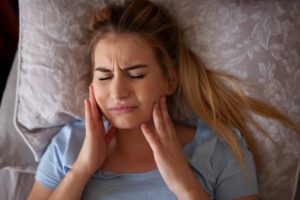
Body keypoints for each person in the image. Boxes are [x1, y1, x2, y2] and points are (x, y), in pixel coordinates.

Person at [28, 0, 300, 199]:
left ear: (170, 80)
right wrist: (81, 169)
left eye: (135, 74)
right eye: (104, 76)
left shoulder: (219, 150)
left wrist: (185, 185)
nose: (118, 91)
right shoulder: (68, 147)